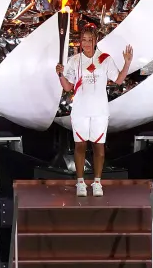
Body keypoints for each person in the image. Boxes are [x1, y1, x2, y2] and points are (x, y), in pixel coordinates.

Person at [56, 24, 133, 197]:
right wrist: (60, 75)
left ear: (96, 40)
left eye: (90, 40)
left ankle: (97, 182)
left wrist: (127, 63)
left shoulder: (105, 59)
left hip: (100, 110)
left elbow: (119, 80)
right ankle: (80, 183)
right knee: (80, 146)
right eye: (84, 40)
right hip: (80, 110)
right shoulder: (74, 61)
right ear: (80, 41)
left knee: (99, 148)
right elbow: (68, 87)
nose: (87, 43)